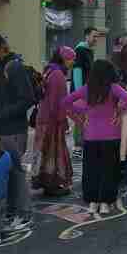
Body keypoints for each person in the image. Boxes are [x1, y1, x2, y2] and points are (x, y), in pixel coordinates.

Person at [62, 59, 127, 214]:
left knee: (91, 170)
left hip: (91, 136)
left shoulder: (86, 89)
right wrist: (119, 109)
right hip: (112, 136)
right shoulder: (114, 88)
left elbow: (65, 102)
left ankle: (92, 202)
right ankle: (105, 202)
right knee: (109, 170)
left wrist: (83, 114)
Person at [0, 31, 36, 232]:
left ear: (2, 46)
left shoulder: (14, 67)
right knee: (3, 173)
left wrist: (1, 115)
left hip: (12, 130)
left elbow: (27, 98)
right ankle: (12, 212)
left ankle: (23, 214)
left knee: (15, 173)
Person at [35, 46, 75, 197]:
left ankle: (45, 181)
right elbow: (58, 102)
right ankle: (52, 184)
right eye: (71, 59)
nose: (72, 62)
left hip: (44, 118)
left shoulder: (49, 70)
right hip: (52, 120)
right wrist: (62, 121)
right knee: (53, 152)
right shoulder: (58, 74)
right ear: (64, 59)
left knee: (45, 151)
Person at [71, 27, 98, 159]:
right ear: (86, 36)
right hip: (81, 94)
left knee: (86, 119)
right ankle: (77, 148)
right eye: (94, 36)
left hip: (88, 92)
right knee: (80, 120)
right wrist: (79, 94)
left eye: (97, 37)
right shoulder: (80, 50)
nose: (96, 39)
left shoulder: (89, 51)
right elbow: (77, 72)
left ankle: (84, 145)